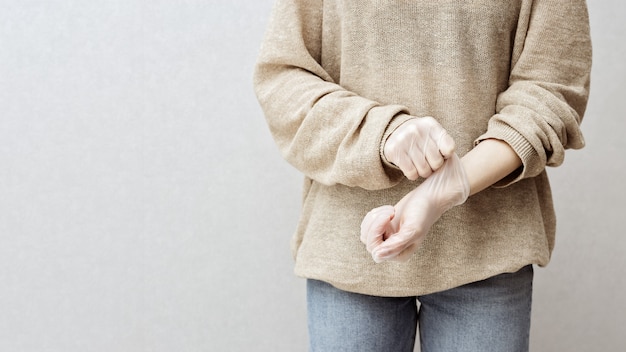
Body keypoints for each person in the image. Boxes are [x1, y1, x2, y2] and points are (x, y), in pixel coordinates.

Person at [253, 0, 592, 351]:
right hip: (348, 248)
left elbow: (551, 90)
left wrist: (446, 188)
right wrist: (379, 132)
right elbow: (283, 78)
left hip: (487, 250)